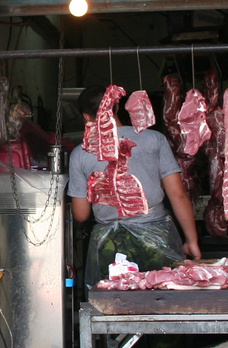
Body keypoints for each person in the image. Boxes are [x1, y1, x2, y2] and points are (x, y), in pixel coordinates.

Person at [68, 86, 201, 287]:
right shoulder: (154, 139)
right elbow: (178, 195)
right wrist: (192, 241)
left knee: (113, 304)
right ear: (117, 106)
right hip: (156, 239)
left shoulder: (80, 154)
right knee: (163, 298)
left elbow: (81, 215)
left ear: (86, 117)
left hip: (110, 243)